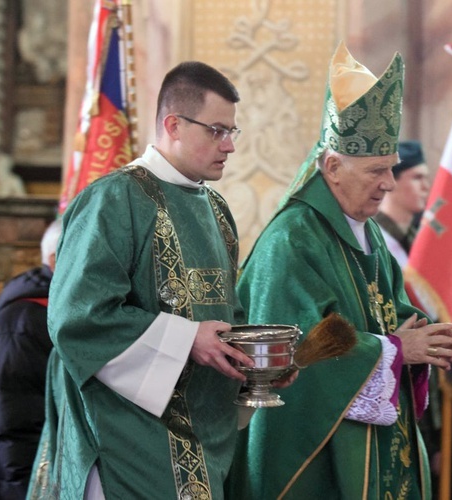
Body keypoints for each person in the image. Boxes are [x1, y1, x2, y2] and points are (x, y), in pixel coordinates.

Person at [27, 61, 295, 499]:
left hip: (204, 436)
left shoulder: (217, 211)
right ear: (173, 124)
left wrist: (254, 368)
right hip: (125, 437)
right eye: (216, 130)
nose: (229, 145)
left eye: (232, 131)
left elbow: (228, 318)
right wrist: (188, 339)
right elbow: (78, 319)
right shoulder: (114, 199)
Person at [230, 42, 452, 499]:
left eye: (391, 169)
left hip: (374, 441)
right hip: (318, 453)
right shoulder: (292, 240)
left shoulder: (367, 233)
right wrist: (397, 350)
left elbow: (388, 311)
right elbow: (298, 352)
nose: (389, 184)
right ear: (333, 166)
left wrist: (425, 337)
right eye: (377, 170)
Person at [0, 219, 60, 500]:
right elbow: (15, 425)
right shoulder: (22, 322)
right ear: (55, 260)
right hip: (38, 484)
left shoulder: (67, 308)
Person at [374, 139, 430, 268]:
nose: (426, 187)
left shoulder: (418, 237)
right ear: (391, 181)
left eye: (426, 178)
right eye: (417, 178)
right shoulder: (372, 239)